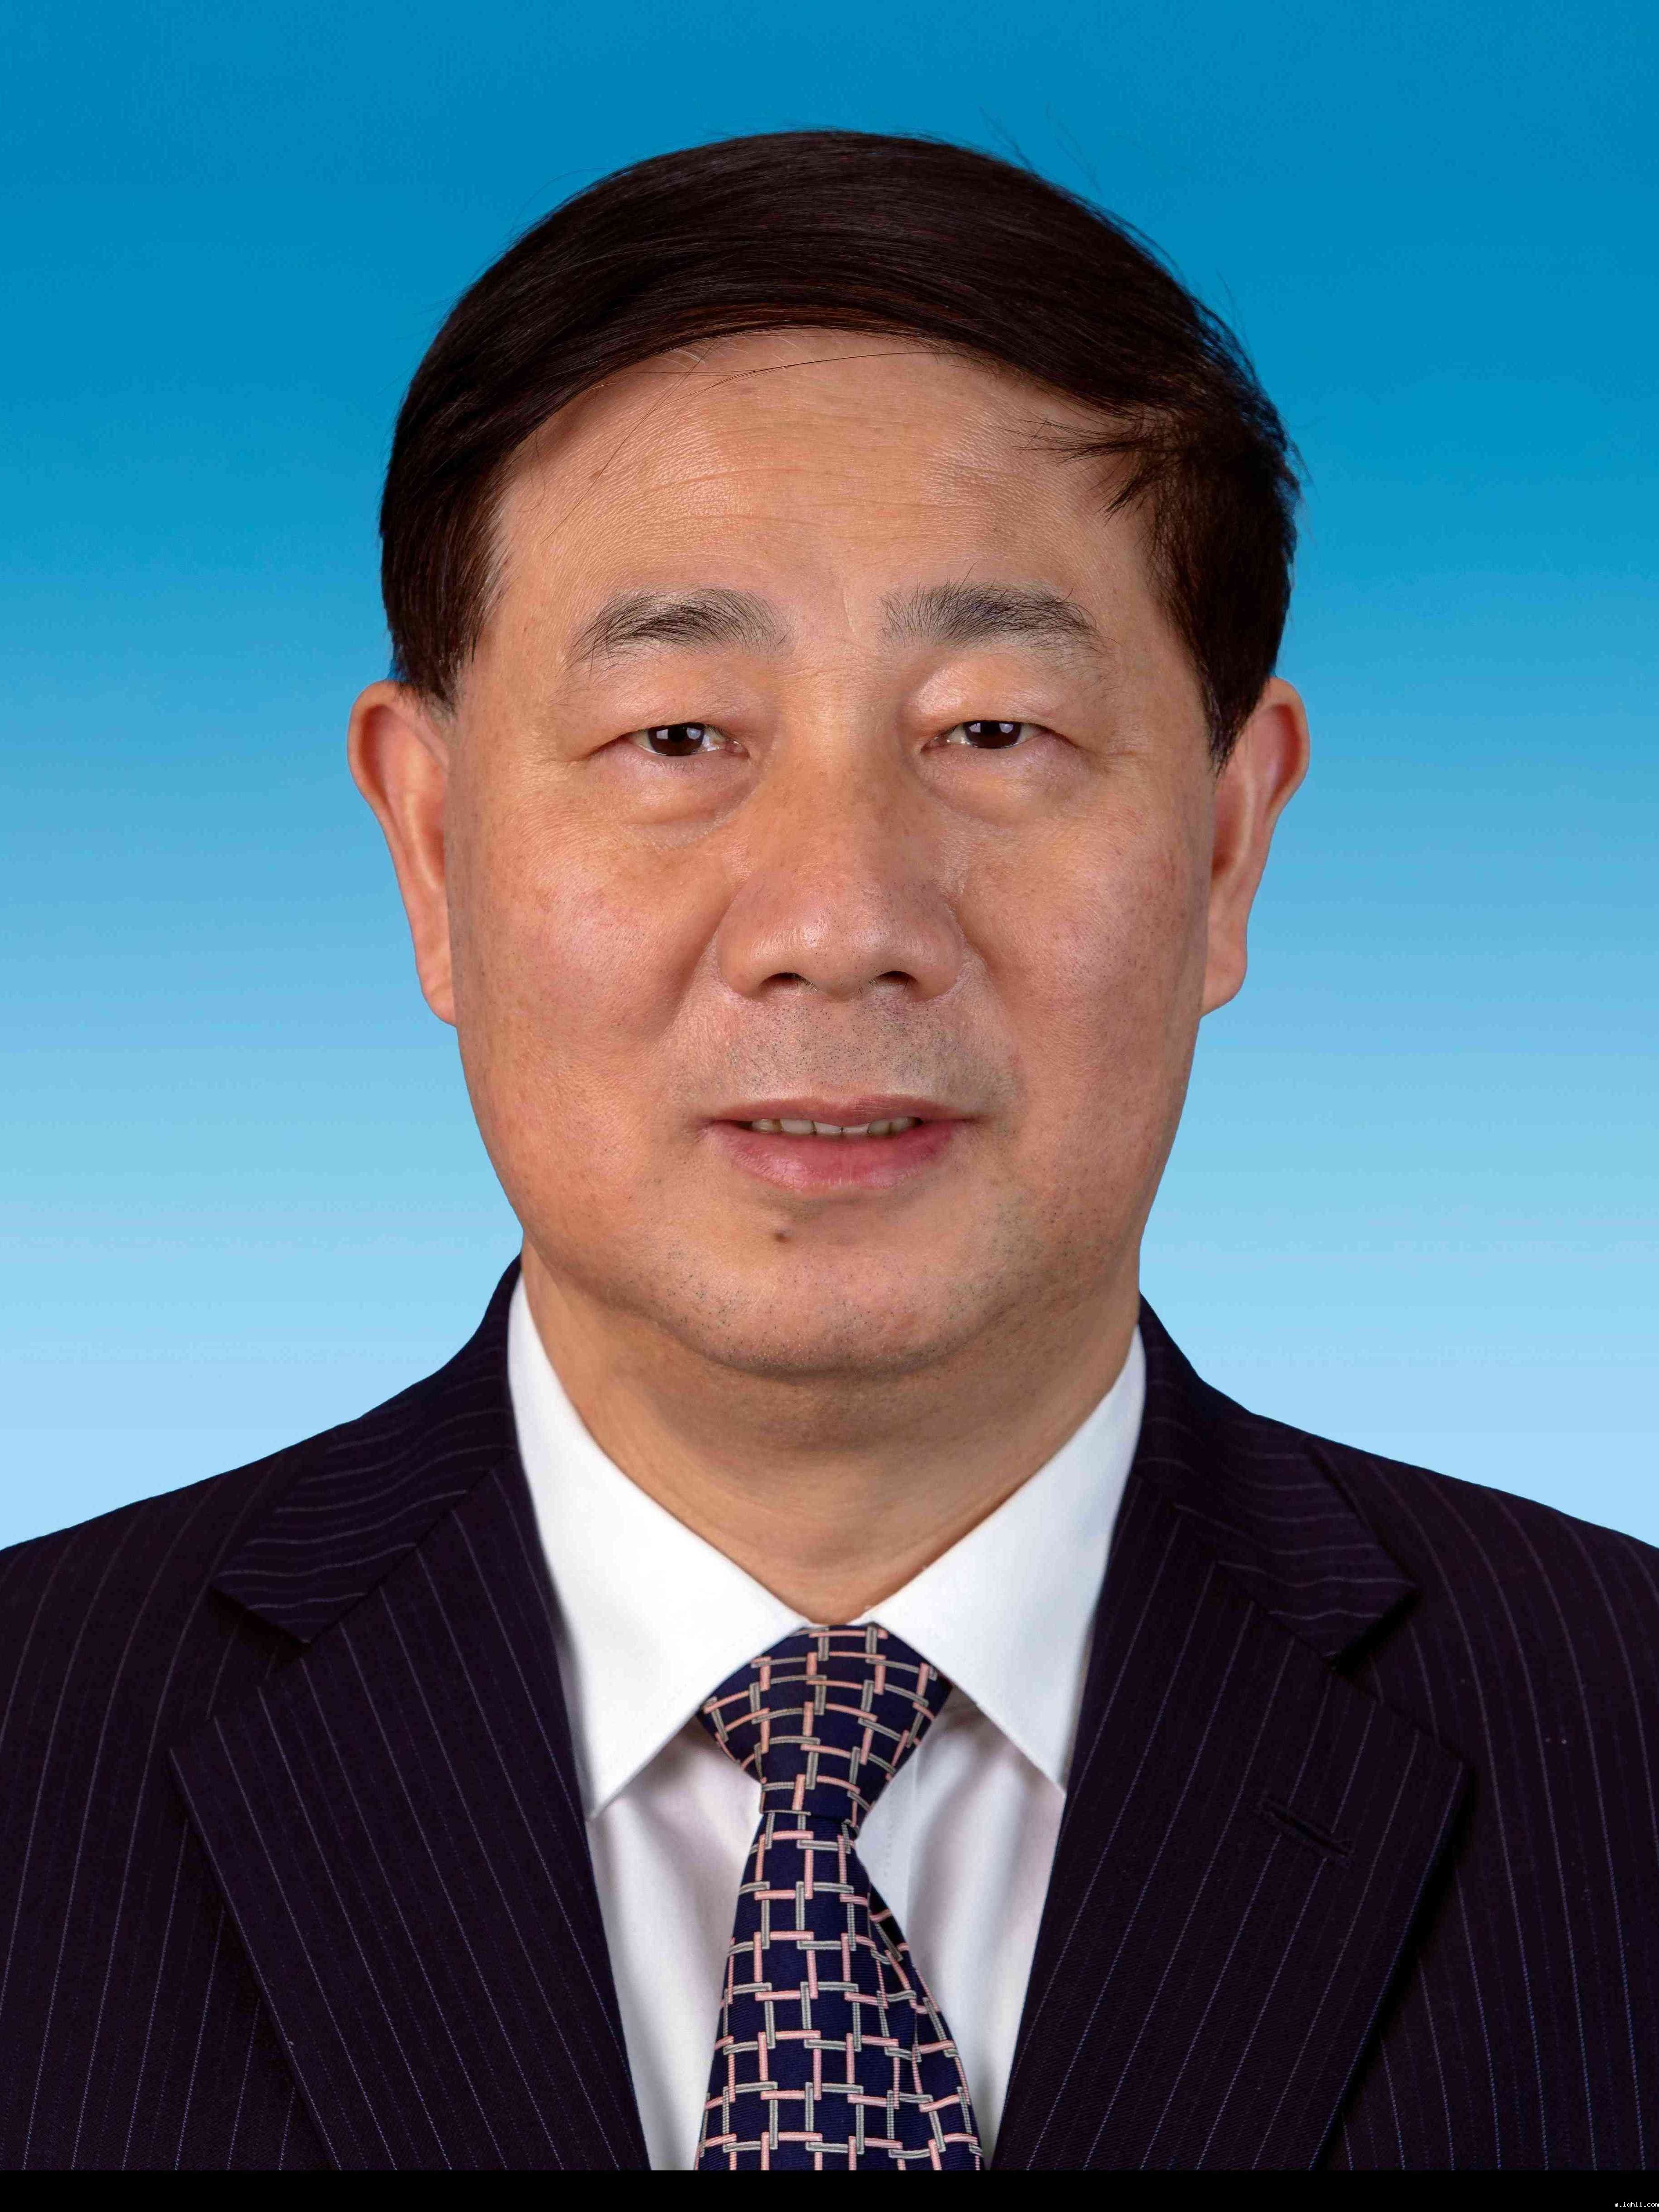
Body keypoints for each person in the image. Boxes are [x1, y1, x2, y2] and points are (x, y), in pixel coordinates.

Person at [2, 131, 1653, 2174]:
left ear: (1230, 842)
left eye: (993, 732)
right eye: (679, 735)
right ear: (431, 846)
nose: (839, 915)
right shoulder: (33, 1746)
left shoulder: (1622, 1746)